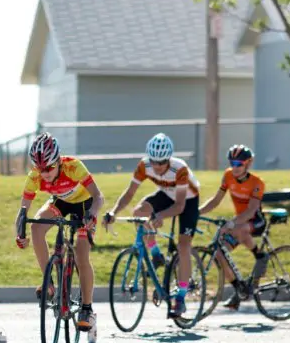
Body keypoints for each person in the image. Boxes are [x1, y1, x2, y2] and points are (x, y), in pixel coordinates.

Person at [102, 133, 200, 318]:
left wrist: (161, 215)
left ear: (168, 159)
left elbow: (179, 206)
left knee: (183, 246)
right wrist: (114, 212)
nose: (157, 166)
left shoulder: (180, 169)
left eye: (161, 162)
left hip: (188, 200)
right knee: (139, 213)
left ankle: (180, 297)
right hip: (166, 194)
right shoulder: (144, 165)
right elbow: (130, 193)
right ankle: (156, 254)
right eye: (154, 161)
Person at [14, 132, 104, 332]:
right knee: (36, 227)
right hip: (61, 203)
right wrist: (20, 233)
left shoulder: (74, 167)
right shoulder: (35, 176)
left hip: (84, 206)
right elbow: (22, 212)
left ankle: (87, 309)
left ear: (58, 161)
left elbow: (98, 197)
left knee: (82, 255)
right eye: (40, 168)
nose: (44, 173)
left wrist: (92, 215)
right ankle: (50, 283)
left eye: (49, 167)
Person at [199, 144, 269, 310]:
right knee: (218, 253)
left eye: (239, 164)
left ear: (248, 164)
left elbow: (252, 210)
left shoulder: (257, 183)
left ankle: (260, 254)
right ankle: (239, 288)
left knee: (238, 229)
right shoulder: (228, 176)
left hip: (255, 221)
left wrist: (232, 223)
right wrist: (197, 212)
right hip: (239, 222)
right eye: (232, 163)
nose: (235, 167)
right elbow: (216, 200)